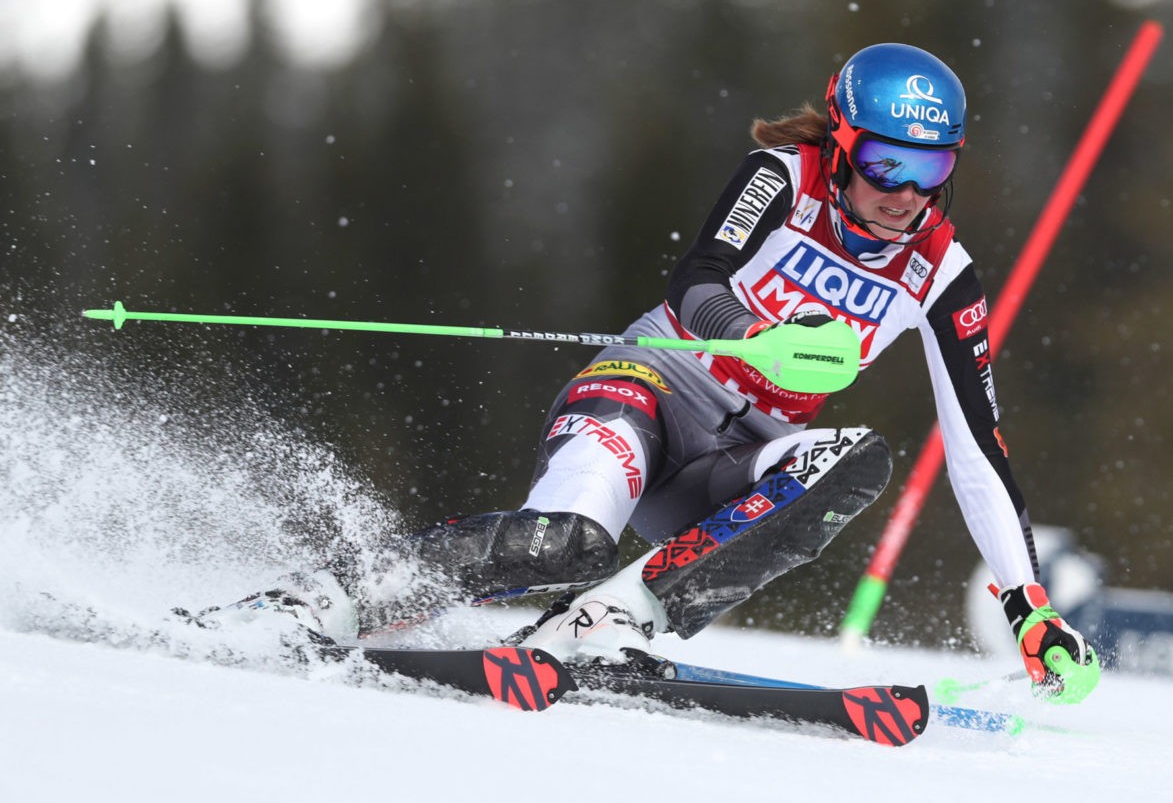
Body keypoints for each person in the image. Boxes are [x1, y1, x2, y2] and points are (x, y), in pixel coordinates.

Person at [209, 43, 1100, 702]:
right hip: (647, 390)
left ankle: (608, 625)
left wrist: (1026, 604)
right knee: (566, 543)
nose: (903, 193)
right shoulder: (781, 177)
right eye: (883, 163)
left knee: (850, 457)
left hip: (736, 458)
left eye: (930, 168)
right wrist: (757, 335)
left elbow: (976, 441)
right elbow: (699, 279)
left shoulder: (942, 272)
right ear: (841, 143)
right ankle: (325, 597)